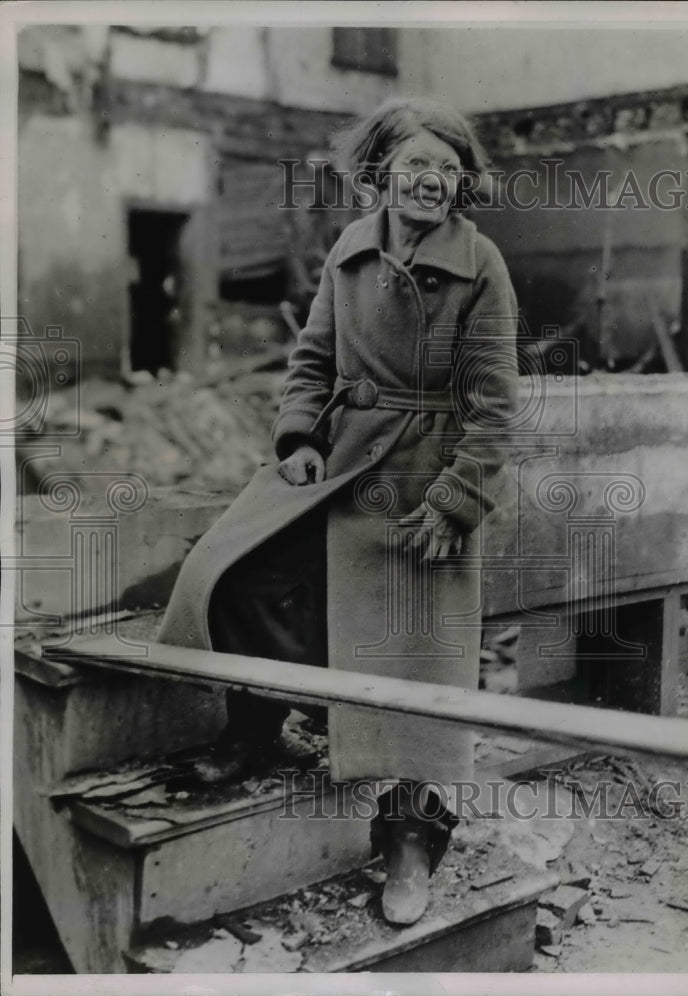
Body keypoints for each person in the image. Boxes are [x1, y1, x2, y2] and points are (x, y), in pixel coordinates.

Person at [158, 97, 519, 925]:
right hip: (339, 458)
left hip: (425, 482)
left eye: (448, 167)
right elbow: (311, 361)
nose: (433, 180)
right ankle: (256, 726)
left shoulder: (481, 262)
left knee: (414, 666)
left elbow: (497, 408)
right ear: (382, 171)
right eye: (417, 164)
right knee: (234, 570)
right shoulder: (350, 251)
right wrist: (297, 439)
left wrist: (458, 496)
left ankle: (408, 845)